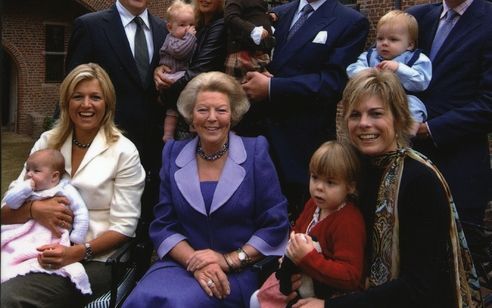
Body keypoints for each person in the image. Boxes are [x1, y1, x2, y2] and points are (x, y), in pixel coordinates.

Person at [291, 69, 482, 308]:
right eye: (355, 115)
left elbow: (419, 284)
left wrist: (329, 306)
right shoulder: (347, 170)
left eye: (376, 114)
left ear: (398, 118)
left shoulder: (420, 180)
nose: (364, 124)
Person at [122, 71, 290, 307]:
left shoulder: (255, 152)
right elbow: (163, 225)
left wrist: (228, 260)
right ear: (191, 117)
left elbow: (276, 224)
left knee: (180, 304)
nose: (212, 118)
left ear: (233, 115)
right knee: (142, 298)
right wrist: (196, 262)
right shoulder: (173, 153)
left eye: (221, 110)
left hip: (236, 272)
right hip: (181, 265)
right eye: (203, 110)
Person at [1, 63, 145, 307]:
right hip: (31, 245)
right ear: (66, 103)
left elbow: (125, 227)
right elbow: (5, 211)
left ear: (107, 103)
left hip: (95, 259)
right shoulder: (48, 142)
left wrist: (76, 252)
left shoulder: (124, 152)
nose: (86, 104)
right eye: (78, 96)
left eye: (95, 97)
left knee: (10, 299)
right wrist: (34, 210)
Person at [239, 0, 369, 218]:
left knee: (295, 224)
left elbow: (332, 83)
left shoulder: (351, 21)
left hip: (300, 146)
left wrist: (272, 87)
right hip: (257, 139)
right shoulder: (277, 14)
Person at [65, 0, 167, 223]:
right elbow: (71, 88)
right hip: (106, 146)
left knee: (146, 217)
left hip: (154, 147)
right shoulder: (90, 26)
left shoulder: (165, 29)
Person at [250, 141, 366, 307]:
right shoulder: (314, 204)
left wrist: (306, 257)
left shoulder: (348, 221)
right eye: (315, 177)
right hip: (302, 280)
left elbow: (350, 277)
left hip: (330, 295)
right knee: (257, 299)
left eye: (330, 182)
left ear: (350, 187)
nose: (319, 187)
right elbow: (297, 230)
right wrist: (289, 252)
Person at [407, 0, 492, 225]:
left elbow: (488, 103)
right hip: (407, 165)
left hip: (459, 168)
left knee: (458, 255)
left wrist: (430, 129)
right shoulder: (416, 17)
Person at [2, 149, 90, 294]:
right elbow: (10, 203)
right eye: (27, 170)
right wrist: (23, 190)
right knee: (9, 249)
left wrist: (76, 240)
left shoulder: (65, 190)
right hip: (23, 231)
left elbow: (81, 214)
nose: (29, 174)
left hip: (51, 235)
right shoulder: (28, 190)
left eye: (36, 171)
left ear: (54, 176)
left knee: (43, 254)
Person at [346, 10, 432, 135]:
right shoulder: (369, 56)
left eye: (393, 39)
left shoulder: (417, 58)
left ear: (410, 44)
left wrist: (399, 69)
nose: (384, 43)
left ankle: (406, 135)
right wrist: (370, 72)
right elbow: (352, 70)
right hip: (373, 98)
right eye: (380, 38)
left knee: (414, 106)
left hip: (404, 97)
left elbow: (421, 82)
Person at [154, 0, 227, 141]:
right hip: (184, 103)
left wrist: (164, 96)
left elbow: (198, 72)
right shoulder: (196, 24)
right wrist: (160, 69)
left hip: (202, 108)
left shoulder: (220, 25)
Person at [159, 0, 197, 143]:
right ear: (170, 27)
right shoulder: (172, 40)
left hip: (180, 76)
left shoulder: (186, 38)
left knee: (176, 108)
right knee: (172, 110)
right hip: (172, 75)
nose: (188, 29)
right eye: (182, 25)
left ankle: (191, 124)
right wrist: (191, 37)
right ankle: (167, 134)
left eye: (191, 25)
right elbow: (180, 52)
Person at [223, 0, 276, 82]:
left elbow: (255, 15)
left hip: (259, 54)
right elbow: (230, 17)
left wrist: (269, 17)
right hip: (242, 54)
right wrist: (253, 30)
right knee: (239, 90)